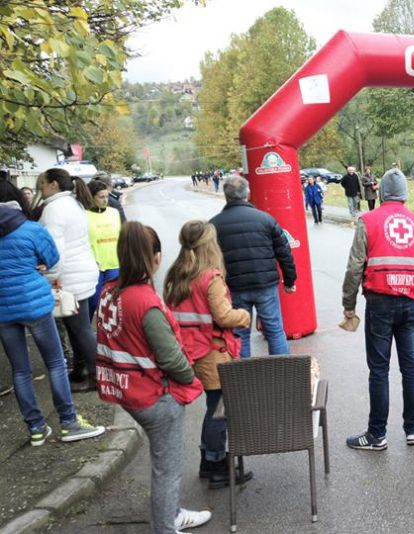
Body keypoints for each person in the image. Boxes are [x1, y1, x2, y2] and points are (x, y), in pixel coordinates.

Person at [95, 222, 211, 534]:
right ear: (156, 258)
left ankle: (172, 513)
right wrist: (188, 377)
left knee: (163, 464)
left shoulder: (109, 292)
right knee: (167, 468)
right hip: (154, 396)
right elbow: (171, 358)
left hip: (125, 390)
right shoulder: (145, 303)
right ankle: (166, 525)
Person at [0, 182, 105, 447]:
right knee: (56, 363)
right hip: (35, 303)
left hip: (3, 309)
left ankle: (36, 429)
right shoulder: (32, 229)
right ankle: (69, 423)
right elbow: (54, 260)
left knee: (20, 370)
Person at [342, 169, 414, 451]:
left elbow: (355, 266)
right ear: (406, 195)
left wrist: (349, 305)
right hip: (409, 303)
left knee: (379, 370)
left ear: (380, 192)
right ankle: (413, 428)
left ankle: (377, 434)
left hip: (379, 303)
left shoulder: (367, 221)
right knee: (411, 367)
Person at [164, 221, 253, 490]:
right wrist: (244, 315)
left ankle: (207, 461)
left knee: (213, 407)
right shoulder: (210, 277)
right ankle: (216, 466)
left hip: (190, 350)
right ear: (210, 246)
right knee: (219, 411)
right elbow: (224, 316)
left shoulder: (175, 274)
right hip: (212, 351)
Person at [210, 176, 296, 358]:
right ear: (247, 194)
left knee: (240, 333)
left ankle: (244, 378)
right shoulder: (265, 219)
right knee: (274, 329)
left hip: (234, 287)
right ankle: (283, 373)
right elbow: (284, 252)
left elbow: (208, 261)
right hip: (265, 284)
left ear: (225, 196)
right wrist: (290, 280)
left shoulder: (214, 225)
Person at [36, 168, 100, 392]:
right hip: (81, 271)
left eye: (42, 184)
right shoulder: (73, 203)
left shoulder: (54, 209)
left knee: (80, 329)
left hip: (69, 276)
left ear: (54, 184)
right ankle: (82, 370)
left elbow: (55, 250)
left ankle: (96, 377)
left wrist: (49, 277)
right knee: (77, 328)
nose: (40, 189)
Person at [85, 180, 122, 322]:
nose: (105, 200)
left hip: (114, 264)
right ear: (92, 197)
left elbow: (121, 235)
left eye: (107, 196)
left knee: (112, 304)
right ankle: (85, 331)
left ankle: (109, 334)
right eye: (101, 197)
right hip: (95, 266)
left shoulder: (114, 213)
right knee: (93, 302)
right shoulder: (84, 215)